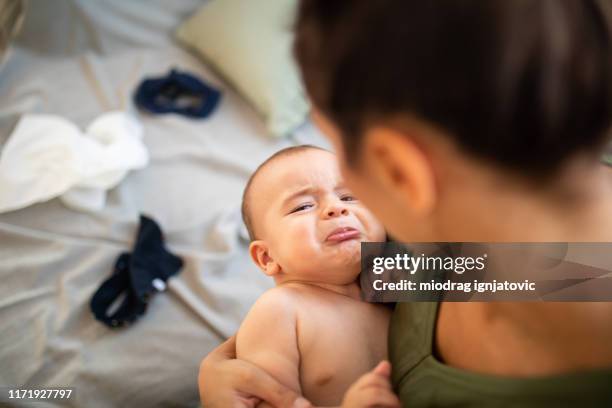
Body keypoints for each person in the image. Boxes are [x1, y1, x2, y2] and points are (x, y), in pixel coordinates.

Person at [199, 0, 612, 407]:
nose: (338, 208)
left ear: (401, 171)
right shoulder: (410, 254)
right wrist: (236, 366)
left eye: (338, 151)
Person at [235, 145, 397, 407]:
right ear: (267, 257)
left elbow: (481, 273)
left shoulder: (392, 281)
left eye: (349, 197)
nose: (336, 208)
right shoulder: (280, 310)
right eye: (303, 206)